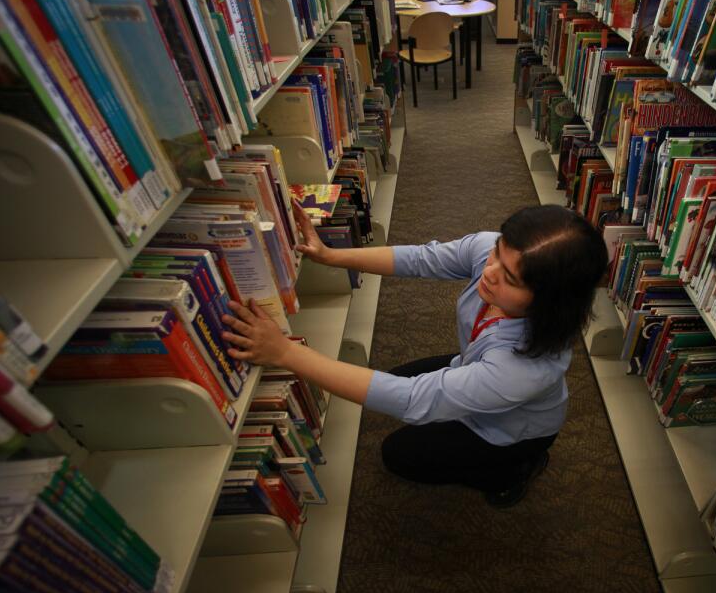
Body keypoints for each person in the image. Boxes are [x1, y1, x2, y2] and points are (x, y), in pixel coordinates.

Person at [221, 204, 609, 508]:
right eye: (496, 255)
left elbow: (412, 400)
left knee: (399, 455)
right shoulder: (501, 256)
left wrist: (284, 352)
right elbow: (424, 259)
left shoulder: (525, 369)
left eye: (509, 278)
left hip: (506, 430)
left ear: (549, 301)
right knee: (393, 379)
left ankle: (513, 471)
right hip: (475, 369)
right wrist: (331, 257)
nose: (490, 271)